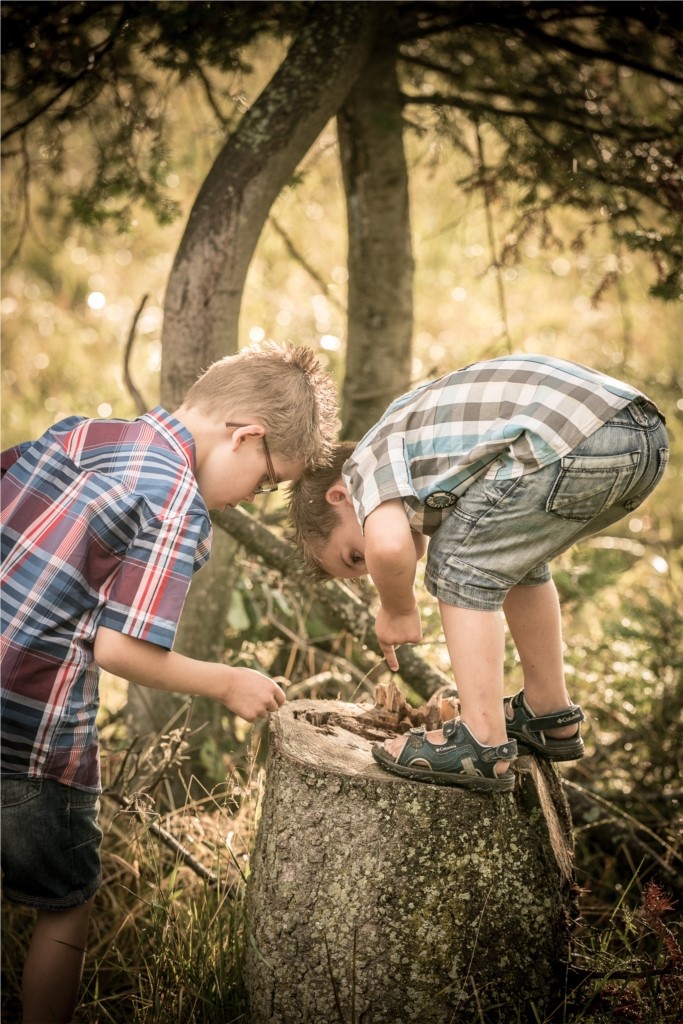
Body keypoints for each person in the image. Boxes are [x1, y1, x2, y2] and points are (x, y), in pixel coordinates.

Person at [1, 339, 338, 1024]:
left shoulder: (80, 432)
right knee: (67, 905)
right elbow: (120, 650)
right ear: (246, 436)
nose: (249, 502)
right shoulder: (175, 501)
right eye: (266, 482)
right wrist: (225, 682)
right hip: (26, 733)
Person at [288, 353, 668, 795]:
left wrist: (397, 607)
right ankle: (548, 712)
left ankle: (480, 740)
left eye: (356, 556)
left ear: (339, 497)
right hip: (637, 437)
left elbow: (391, 547)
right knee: (515, 566)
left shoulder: (362, 468)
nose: (373, 564)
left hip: (579, 434)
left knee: (457, 564)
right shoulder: (420, 455)